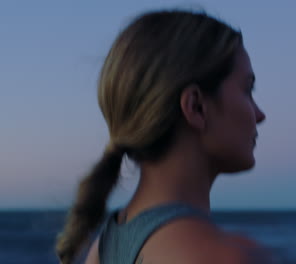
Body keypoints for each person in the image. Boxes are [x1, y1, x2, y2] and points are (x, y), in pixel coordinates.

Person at [55, 9, 269, 264]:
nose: (259, 114)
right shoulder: (226, 256)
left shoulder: (104, 249)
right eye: (248, 89)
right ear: (196, 107)